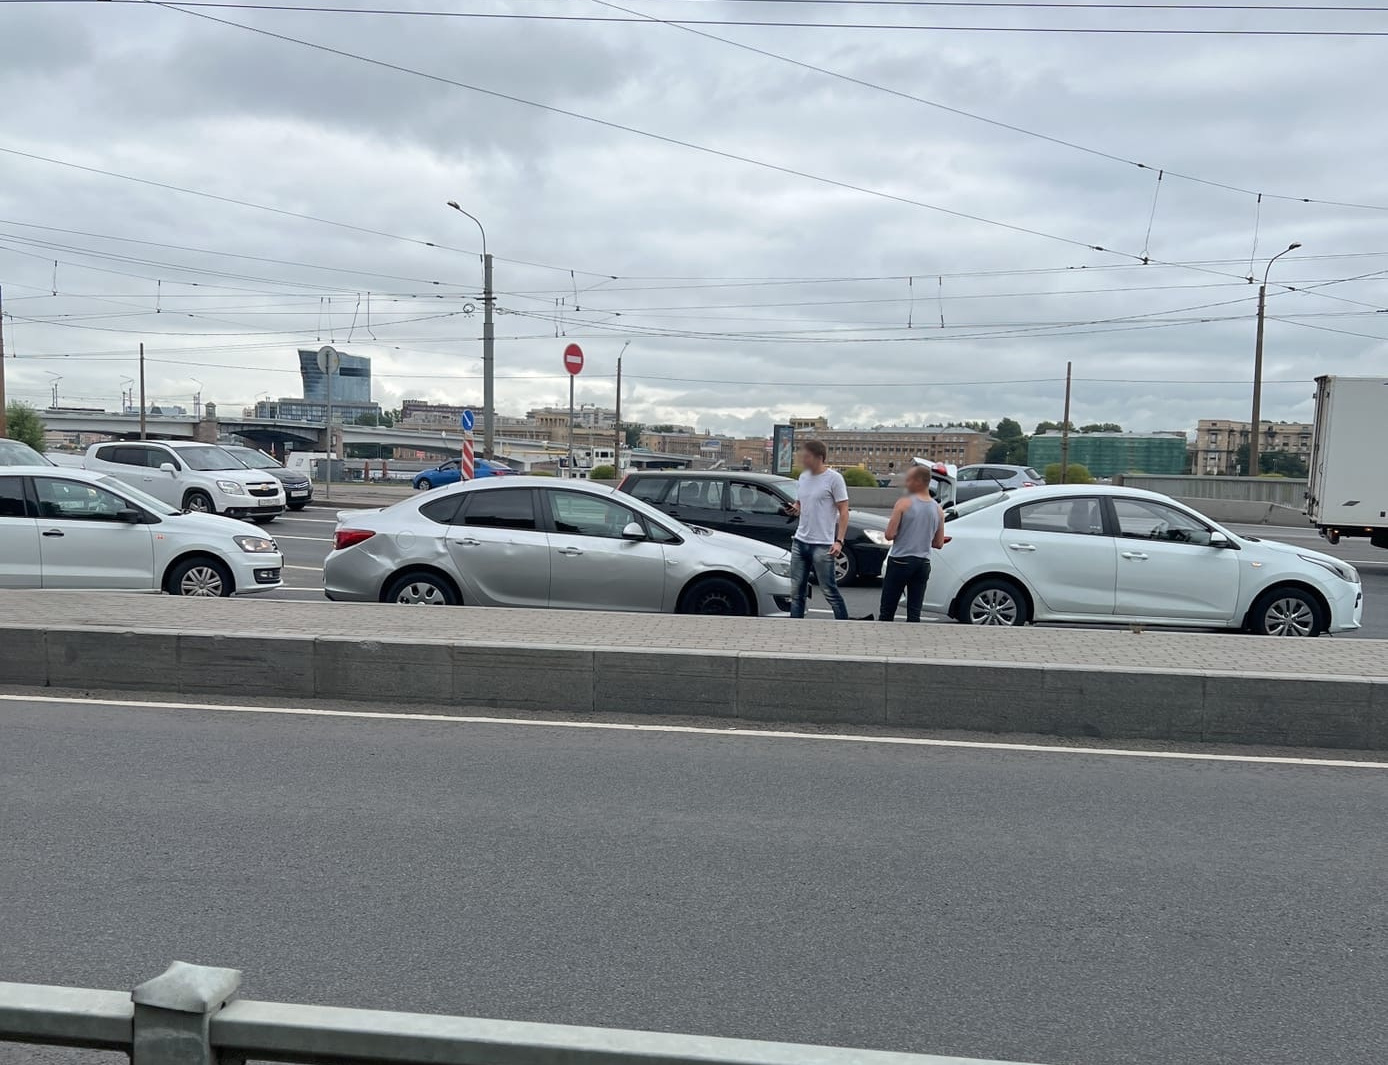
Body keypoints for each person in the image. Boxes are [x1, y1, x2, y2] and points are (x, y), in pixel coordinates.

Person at [783, 439, 850, 620]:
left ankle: (844, 625)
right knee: (796, 592)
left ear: (819, 457)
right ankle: (796, 627)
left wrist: (839, 541)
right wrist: (795, 508)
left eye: (807, 457)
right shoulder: (803, 477)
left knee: (829, 590)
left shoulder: (834, 479)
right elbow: (801, 503)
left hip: (822, 544)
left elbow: (844, 511)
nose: (804, 460)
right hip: (800, 541)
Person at [878, 465, 946, 623]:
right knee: (914, 612)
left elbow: (889, 535)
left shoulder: (903, 503)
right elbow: (938, 543)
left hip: (900, 560)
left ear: (918, 482)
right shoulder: (938, 509)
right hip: (923, 562)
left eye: (909, 479)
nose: (906, 483)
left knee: (887, 610)